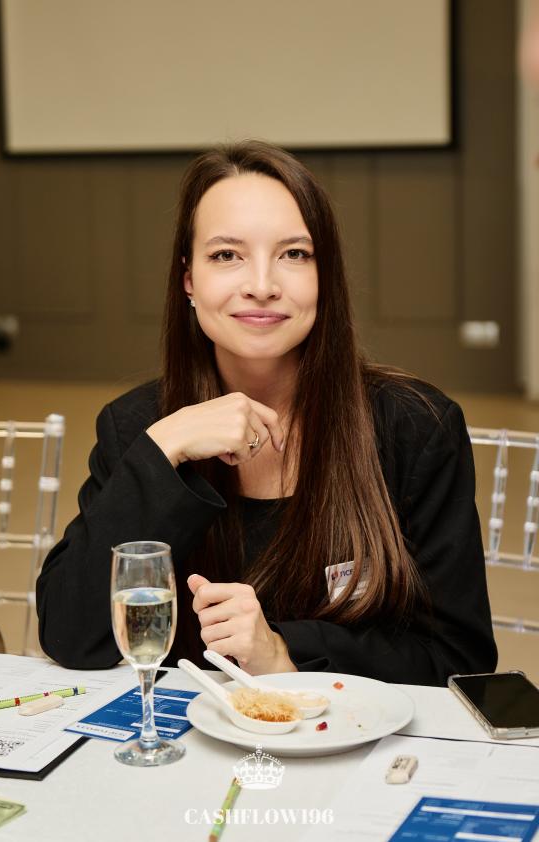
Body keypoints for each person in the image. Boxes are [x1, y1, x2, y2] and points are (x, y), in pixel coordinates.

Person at [36, 140, 497, 684]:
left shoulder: (415, 426)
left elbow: (459, 661)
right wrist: (163, 452)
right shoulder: (140, 425)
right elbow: (71, 636)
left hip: (352, 733)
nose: (261, 286)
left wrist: (284, 651)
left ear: (325, 277)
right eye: (226, 255)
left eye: (294, 254)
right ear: (189, 280)